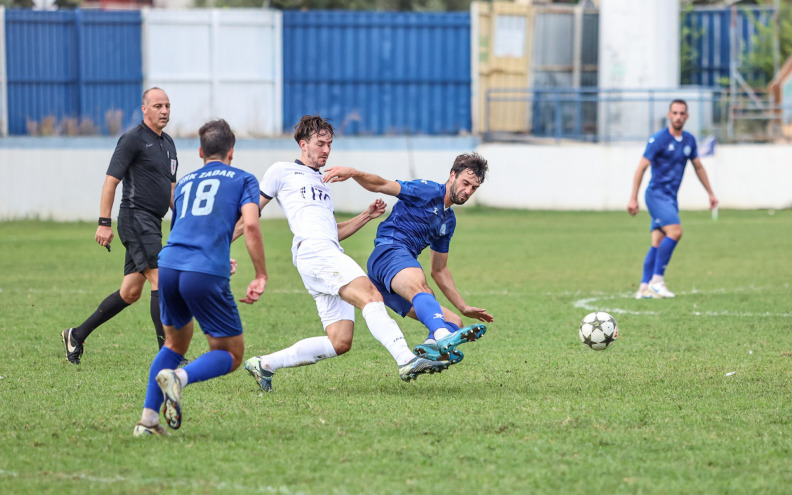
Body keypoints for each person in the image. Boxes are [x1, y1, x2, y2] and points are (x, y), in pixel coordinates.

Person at [241, 115, 448, 393]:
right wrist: (219, 245)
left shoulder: (323, 181)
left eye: (329, 144)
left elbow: (331, 231)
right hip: (315, 252)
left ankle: (265, 364)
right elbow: (251, 213)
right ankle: (406, 358)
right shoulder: (281, 170)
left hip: (324, 251)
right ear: (303, 144)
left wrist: (366, 216)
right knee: (371, 296)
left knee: (340, 341)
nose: (326, 150)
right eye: (320, 143)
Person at [133, 119, 267, 436]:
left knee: (173, 344)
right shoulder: (243, 178)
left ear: (200, 151)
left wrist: (218, 257)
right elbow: (250, 224)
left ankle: (147, 422)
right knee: (230, 353)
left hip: (169, 265)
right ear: (231, 152)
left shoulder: (185, 183)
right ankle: (178, 379)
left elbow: (184, 228)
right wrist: (260, 274)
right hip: (202, 270)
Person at [322, 153, 493, 364]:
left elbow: (439, 269)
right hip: (389, 253)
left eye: (473, 188)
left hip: (393, 278)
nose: (467, 191)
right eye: (465, 183)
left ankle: (430, 350)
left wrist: (463, 307)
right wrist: (354, 173)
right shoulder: (427, 190)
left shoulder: (448, 221)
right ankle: (440, 335)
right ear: (452, 175)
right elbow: (382, 184)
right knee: (421, 289)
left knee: (454, 322)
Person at [61, 87, 178, 365]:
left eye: (167, 106)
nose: (164, 111)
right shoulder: (132, 140)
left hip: (154, 222)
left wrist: (184, 220)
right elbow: (110, 182)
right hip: (135, 217)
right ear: (144, 109)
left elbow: (172, 190)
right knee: (160, 279)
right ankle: (169, 353)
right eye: (158, 106)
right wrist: (104, 222)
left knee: (130, 292)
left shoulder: (169, 143)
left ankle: (75, 335)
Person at [627, 99, 718, 299]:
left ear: (687, 116)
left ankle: (644, 286)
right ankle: (657, 281)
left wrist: (710, 193)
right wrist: (633, 198)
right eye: (674, 113)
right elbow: (641, 168)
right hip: (656, 195)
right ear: (669, 115)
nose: (678, 116)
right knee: (676, 232)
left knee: (658, 240)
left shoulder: (688, 141)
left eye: (681, 113)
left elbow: (699, 167)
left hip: (670, 197)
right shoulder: (658, 139)